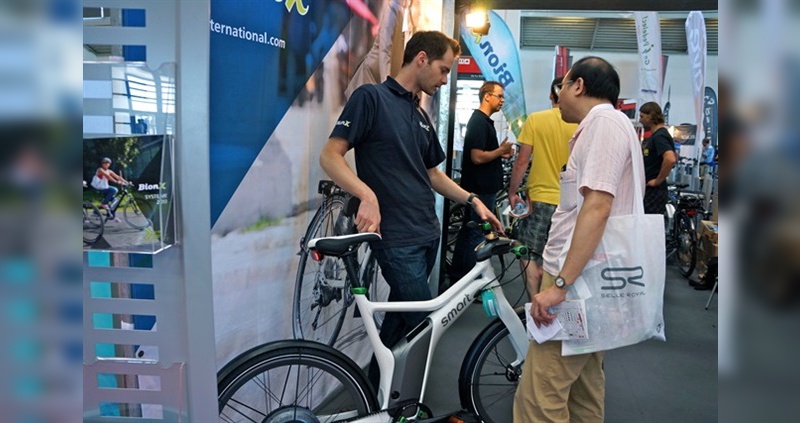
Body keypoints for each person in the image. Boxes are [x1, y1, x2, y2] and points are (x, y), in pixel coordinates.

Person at [320, 30, 503, 359]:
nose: (445, 80)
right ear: (422, 59)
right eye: (444, 69)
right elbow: (330, 156)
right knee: (424, 327)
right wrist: (367, 195)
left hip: (427, 234)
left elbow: (433, 175)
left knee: (400, 330)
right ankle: (400, 405)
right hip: (397, 238)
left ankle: (381, 401)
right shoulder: (371, 98)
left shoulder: (419, 114)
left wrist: (472, 200)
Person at [513, 56, 646, 422]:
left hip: (580, 288)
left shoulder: (603, 125)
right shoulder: (606, 125)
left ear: (578, 85)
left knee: (540, 397)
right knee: (583, 392)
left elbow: (598, 207)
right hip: (593, 285)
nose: (558, 96)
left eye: (563, 85)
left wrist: (560, 284)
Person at [508, 76, 578, 304]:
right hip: (570, 203)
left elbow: (521, 162)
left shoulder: (536, 120)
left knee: (529, 256)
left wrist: (512, 192)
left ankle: (534, 312)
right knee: (561, 260)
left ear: (551, 95)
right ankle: (554, 309)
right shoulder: (580, 124)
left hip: (538, 201)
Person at [448, 81, 513, 282]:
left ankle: (463, 279)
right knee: (474, 236)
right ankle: (463, 280)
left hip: (485, 189)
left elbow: (484, 154)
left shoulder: (484, 122)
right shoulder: (478, 122)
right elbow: (477, 157)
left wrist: (499, 154)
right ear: (487, 96)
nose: (502, 100)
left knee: (474, 234)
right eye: (499, 96)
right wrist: (500, 151)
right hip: (480, 190)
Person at [639, 101, 677, 214]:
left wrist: (657, 181)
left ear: (651, 115)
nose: (640, 120)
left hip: (655, 192)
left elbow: (670, 159)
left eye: (642, 116)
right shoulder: (656, 135)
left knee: (649, 227)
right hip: (650, 190)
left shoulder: (660, 136)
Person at [92, 157, 128, 221]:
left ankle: (111, 216)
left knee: (115, 201)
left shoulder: (109, 171)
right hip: (99, 188)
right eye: (104, 163)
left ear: (109, 164)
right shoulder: (100, 169)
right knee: (114, 190)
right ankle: (103, 204)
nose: (105, 164)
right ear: (102, 164)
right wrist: (117, 182)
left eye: (107, 163)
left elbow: (118, 177)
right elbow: (108, 176)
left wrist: (126, 182)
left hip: (105, 187)